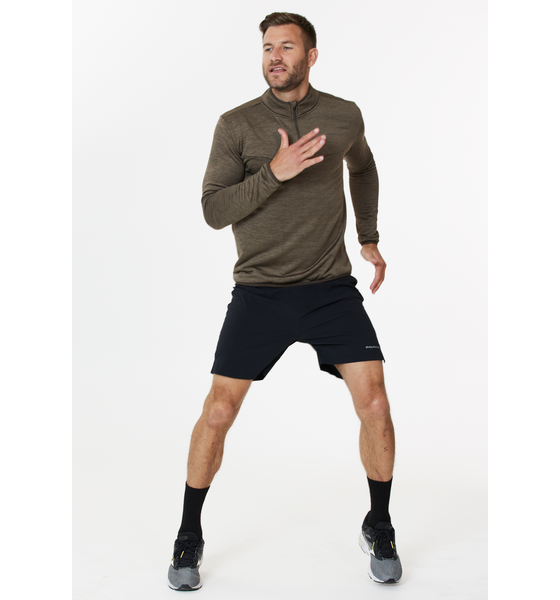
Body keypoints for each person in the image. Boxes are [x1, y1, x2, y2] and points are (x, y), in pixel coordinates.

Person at [167, 12, 403, 591]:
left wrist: (368, 235)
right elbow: (213, 210)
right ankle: (188, 533)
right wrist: (274, 172)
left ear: (311, 56)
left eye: (287, 47)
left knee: (375, 402)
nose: (275, 56)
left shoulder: (343, 115)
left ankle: (379, 523)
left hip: (330, 289)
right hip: (259, 292)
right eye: (268, 47)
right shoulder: (237, 125)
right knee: (218, 411)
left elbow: (364, 167)